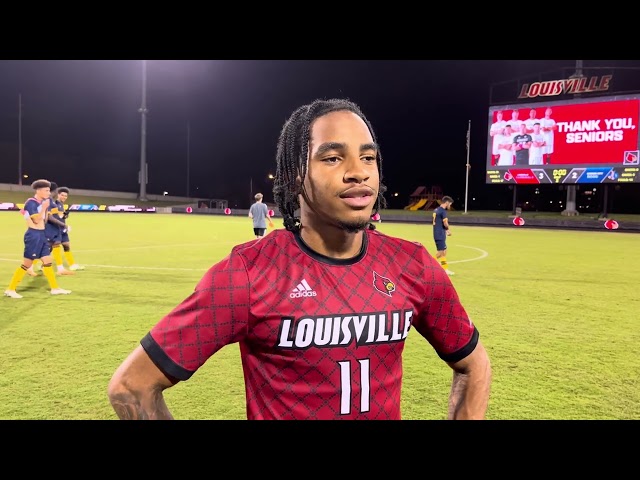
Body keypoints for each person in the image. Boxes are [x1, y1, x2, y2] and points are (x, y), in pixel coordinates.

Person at [107, 98, 491, 420]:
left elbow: (474, 364)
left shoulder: (413, 265)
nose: (358, 173)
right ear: (293, 176)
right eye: (333, 158)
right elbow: (130, 387)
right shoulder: (248, 274)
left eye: (368, 157)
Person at [4, 179, 72, 299]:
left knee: (47, 261)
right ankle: (10, 289)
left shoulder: (41, 203)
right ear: (39, 190)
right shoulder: (31, 203)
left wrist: (45, 209)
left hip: (41, 234)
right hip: (33, 236)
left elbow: (44, 221)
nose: (48, 193)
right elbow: (36, 220)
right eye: (46, 190)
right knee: (26, 264)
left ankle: (55, 288)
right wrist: (44, 208)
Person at [55, 187, 85, 271]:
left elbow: (60, 217)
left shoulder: (61, 205)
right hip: (56, 229)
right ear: (58, 195)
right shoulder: (56, 204)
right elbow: (55, 217)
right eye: (62, 195)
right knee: (49, 248)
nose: (64, 197)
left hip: (63, 229)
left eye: (65, 196)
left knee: (66, 245)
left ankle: (72, 265)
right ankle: (36, 264)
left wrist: (65, 215)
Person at [432, 196, 455, 276]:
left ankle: (430, 264)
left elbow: (438, 222)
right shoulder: (443, 211)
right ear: (447, 202)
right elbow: (445, 223)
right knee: (441, 252)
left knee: (443, 251)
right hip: (440, 234)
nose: (450, 206)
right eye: (450, 204)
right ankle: (443, 269)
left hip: (437, 233)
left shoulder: (436, 210)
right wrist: (448, 230)